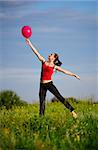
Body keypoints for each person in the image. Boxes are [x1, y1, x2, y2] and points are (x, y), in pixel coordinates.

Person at [26, 39, 80, 118]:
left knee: (59, 97)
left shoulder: (54, 67)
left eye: (51, 54)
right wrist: (29, 43)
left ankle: (72, 111)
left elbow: (65, 71)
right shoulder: (43, 61)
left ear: (54, 58)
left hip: (49, 84)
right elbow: (36, 52)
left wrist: (74, 75)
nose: (49, 55)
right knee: (42, 102)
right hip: (42, 85)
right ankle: (41, 119)